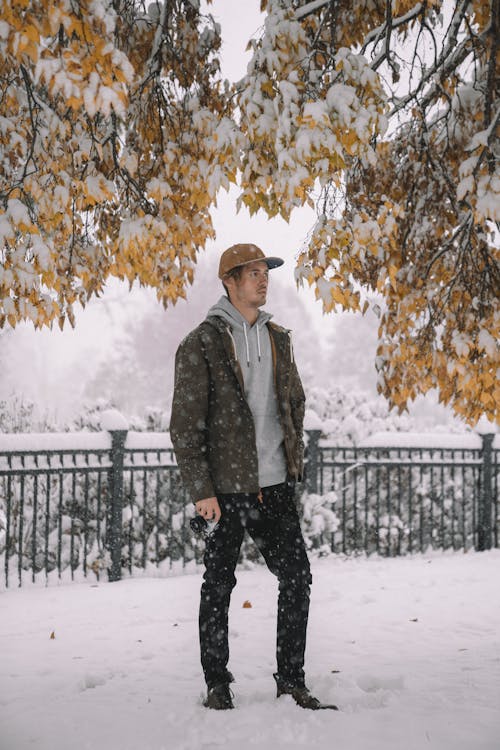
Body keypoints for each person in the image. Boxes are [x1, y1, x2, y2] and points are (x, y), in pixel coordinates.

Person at [170, 243, 337, 711]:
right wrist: (202, 490)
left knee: (297, 577)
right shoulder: (202, 342)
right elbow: (185, 425)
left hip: (275, 484)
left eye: (266, 273)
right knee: (219, 583)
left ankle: (291, 680)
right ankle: (217, 683)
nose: (263, 281)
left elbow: (295, 400)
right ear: (230, 281)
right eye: (253, 273)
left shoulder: (278, 338)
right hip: (226, 488)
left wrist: (289, 452)